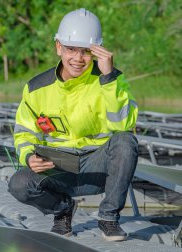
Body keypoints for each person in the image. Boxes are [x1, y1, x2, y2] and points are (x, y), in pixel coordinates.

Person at [8, 8, 138, 242]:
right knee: (19, 184)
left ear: (97, 51)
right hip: (60, 167)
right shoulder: (36, 88)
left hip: (98, 166)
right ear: (59, 47)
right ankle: (62, 209)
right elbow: (24, 132)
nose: (78, 59)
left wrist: (109, 80)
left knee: (126, 141)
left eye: (86, 51)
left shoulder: (112, 80)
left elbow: (124, 126)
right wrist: (28, 156)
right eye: (71, 49)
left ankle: (108, 218)